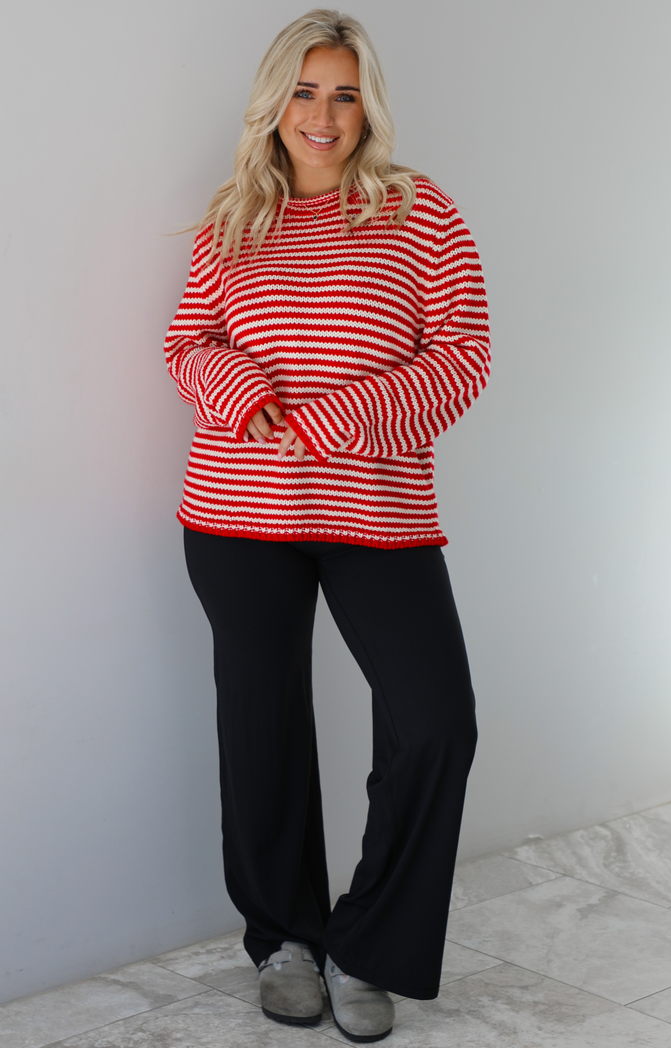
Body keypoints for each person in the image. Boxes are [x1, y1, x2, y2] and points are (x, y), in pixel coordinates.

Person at [164, 9, 490, 1042]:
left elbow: (461, 358)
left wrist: (337, 418)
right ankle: (285, 940)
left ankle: (369, 942)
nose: (323, 113)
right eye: (304, 91)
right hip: (236, 512)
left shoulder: (419, 212)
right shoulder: (235, 220)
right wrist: (241, 386)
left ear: (367, 105)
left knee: (436, 721)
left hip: (377, 514)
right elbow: (186, 343)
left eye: (343, 92)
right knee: (261, 730)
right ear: (275, 102)